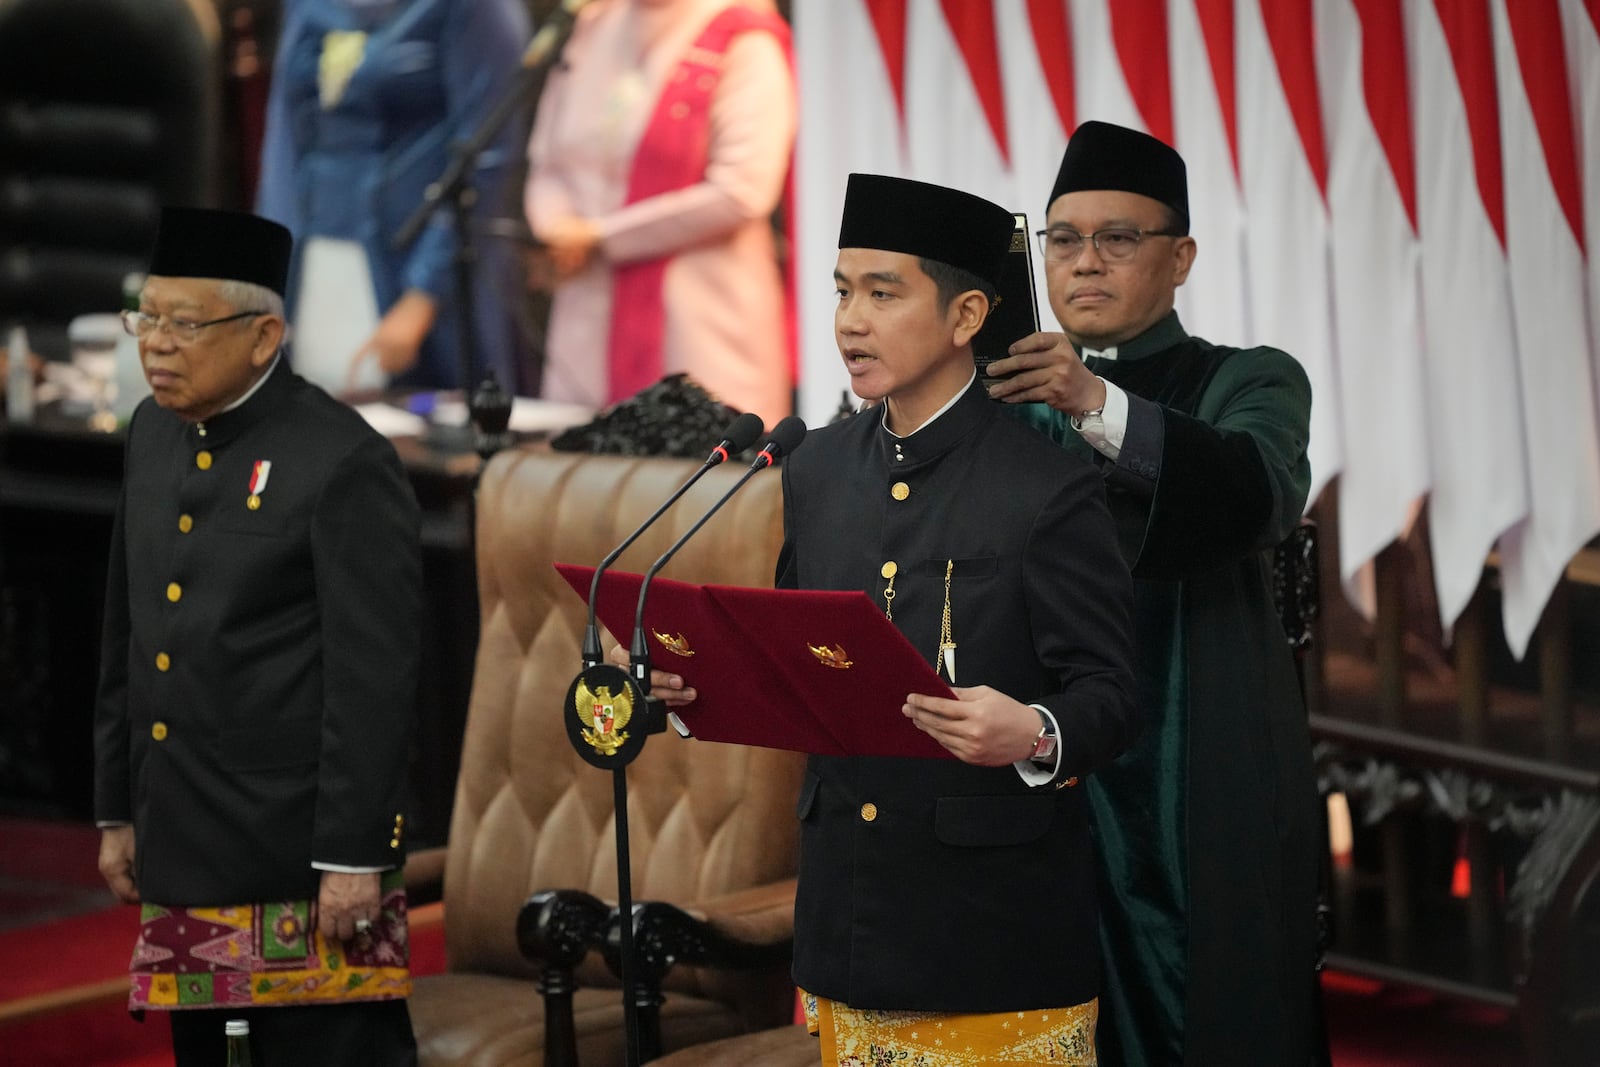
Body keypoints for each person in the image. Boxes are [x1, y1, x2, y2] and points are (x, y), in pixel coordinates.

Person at [641, 173, 1139, 1064]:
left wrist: (1033, 729)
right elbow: (796, 665)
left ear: (966, 315)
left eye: (882, 292)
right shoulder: (817, 467)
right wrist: (687, 685)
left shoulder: (1047, 487)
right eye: (840, 291)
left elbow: (1111, 695)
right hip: (848, 919)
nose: (850, 321)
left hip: (992, 937)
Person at [985, 120, 1321, 1065]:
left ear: (1180, 259)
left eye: (1118, 239)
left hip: (1192, 767)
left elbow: (1254, 493)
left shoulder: (1247, 379)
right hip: (1034, 766)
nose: (1084, 263)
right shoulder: (1004, 396)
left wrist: (1094, 405)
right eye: (1062, 239)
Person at [93, 206, 423, 1066]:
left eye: (184, 323)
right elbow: (126, 630)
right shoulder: (152, 434)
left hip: (295, 857)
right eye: (146, 317)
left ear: (263, 333)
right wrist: (116, 807)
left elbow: (373, 679)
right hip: (182, 837)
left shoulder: (341, 461)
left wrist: (355, 855)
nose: (156, 343)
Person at [524, 0, 796, 426]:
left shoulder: (743, 35)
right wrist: (556, 229)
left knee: (700, 480)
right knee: (581, 477)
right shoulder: (592, 25)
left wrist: (600, 237)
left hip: (699, 326)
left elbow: (744, 190)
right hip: (586, 314)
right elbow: (548, 163)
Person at [257, 0, 531, 393]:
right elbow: (283, 139)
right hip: (315, 259)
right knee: (310, 430)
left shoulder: (478, 8)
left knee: (409, 437)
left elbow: (487, 157)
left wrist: (424, 296)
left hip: (417, 272)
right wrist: (265, 272)